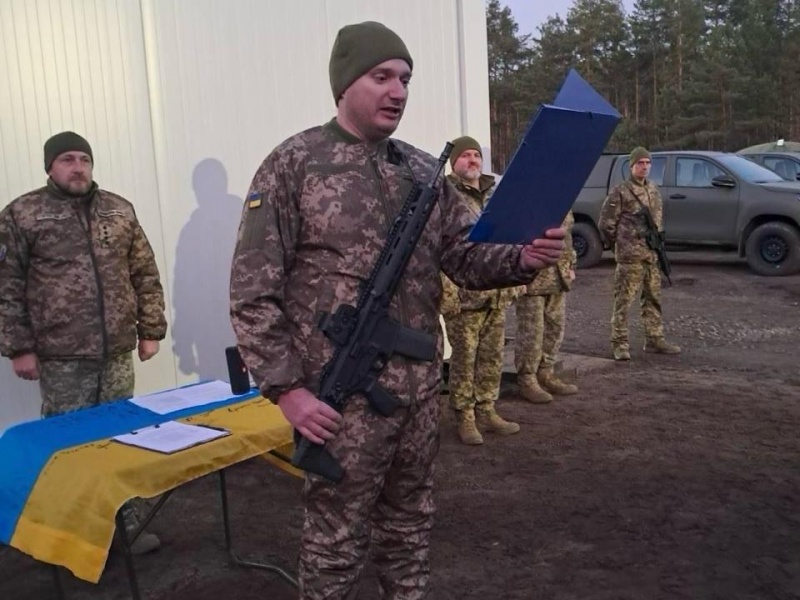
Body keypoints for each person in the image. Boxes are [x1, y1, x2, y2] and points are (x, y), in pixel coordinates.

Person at [229, 22, 565, 600]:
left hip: (416, 396)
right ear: (344, 85)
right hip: (340, 404)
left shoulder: (420, 171)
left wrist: (524, 256)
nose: (398, 91)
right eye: (381, 76)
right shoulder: (294, 164)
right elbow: (252, 291)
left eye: (405, 79)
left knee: (410, 527)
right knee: (336, 542)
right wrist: (287, 391)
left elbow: (465, 255)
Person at [0, 131, 168, 554]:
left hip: (115, 353)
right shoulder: (22, 215)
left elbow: (144, 274)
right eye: (67, 160)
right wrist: (19, 347)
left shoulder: (119, 210)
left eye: (84, 159)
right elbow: (7, 285)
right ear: (49, 167)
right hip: (61, 358)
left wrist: (150, 331)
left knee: (119, 439)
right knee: (66, 449)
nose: (77, 167)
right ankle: (66, 537)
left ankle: (123, 531)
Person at [440, 136, 521, 445]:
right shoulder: (445, 195)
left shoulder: (492, 194)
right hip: (463, 297)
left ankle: (487, 409)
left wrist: (512, 283)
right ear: (454, 163)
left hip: (494, 293)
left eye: (476, 155)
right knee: (465, 358)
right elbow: (438, 249)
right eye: (466, 156)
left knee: (491, 356)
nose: (473, 160)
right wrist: (448, 298)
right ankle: (465, 416)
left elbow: (505, 238)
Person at [598, 146, 681, 361]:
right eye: (640, 163)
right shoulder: (621, 191)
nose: (644, 167)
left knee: (653, 298)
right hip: (630, 257)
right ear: (632, 166)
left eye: (647, 163)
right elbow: (606, 223)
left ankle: (654, 338)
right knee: (624, 301)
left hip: (651, 255)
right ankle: (620, 343)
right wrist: (622, 244)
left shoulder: (653, 189)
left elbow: (658, 220)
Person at [514, 210, 579, 403]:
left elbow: (567, 236)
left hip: (558, 276)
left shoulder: (563, 203)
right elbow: (515, 240)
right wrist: (516, 274)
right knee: (531, 333)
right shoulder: (528, 202)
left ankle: (546, 372)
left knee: (555, 328)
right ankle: (527, 379)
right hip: (532, 278)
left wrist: (571, 265)